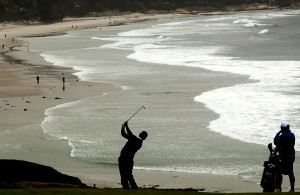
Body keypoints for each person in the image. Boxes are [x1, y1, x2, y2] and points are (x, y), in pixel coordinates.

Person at [118, 121, 148, 189]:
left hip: (123, 158)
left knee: (123, 174)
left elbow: (126, 134)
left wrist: (124, 126)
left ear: (140, 134)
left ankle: (126, 187)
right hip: (130, 160)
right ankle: (133, 186)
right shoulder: (139, 143)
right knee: (129, 174)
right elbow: (126, 134)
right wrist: (125, 126)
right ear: (145, 138)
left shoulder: (134, 139)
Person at [274, 122, 295, 192]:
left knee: (279, 171)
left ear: (282, 128)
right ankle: (292, 189)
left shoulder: (283, 135)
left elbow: (275, 141)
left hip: (284, 156)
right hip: (291, 155)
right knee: (290, 173)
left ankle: (279, 188)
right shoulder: (292, 135)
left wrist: (278, 133)